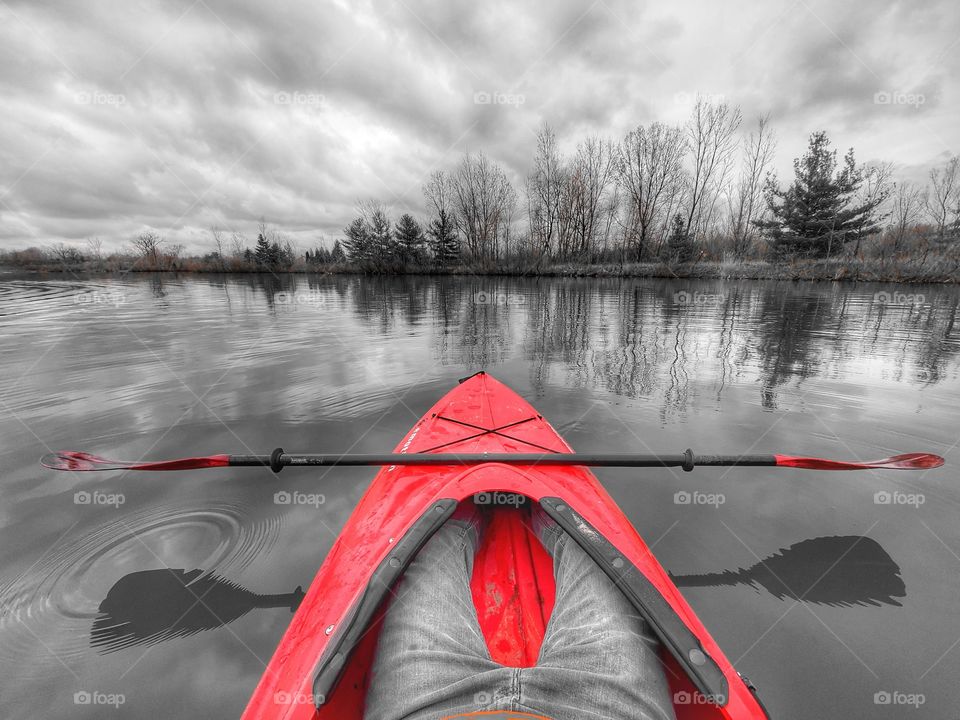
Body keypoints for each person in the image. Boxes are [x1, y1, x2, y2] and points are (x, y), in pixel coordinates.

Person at [364, 501, 676, 720]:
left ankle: (474, 511)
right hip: (607, 711)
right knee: (595, 553)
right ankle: (542, 511)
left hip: (432, 710)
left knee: (431, 544)